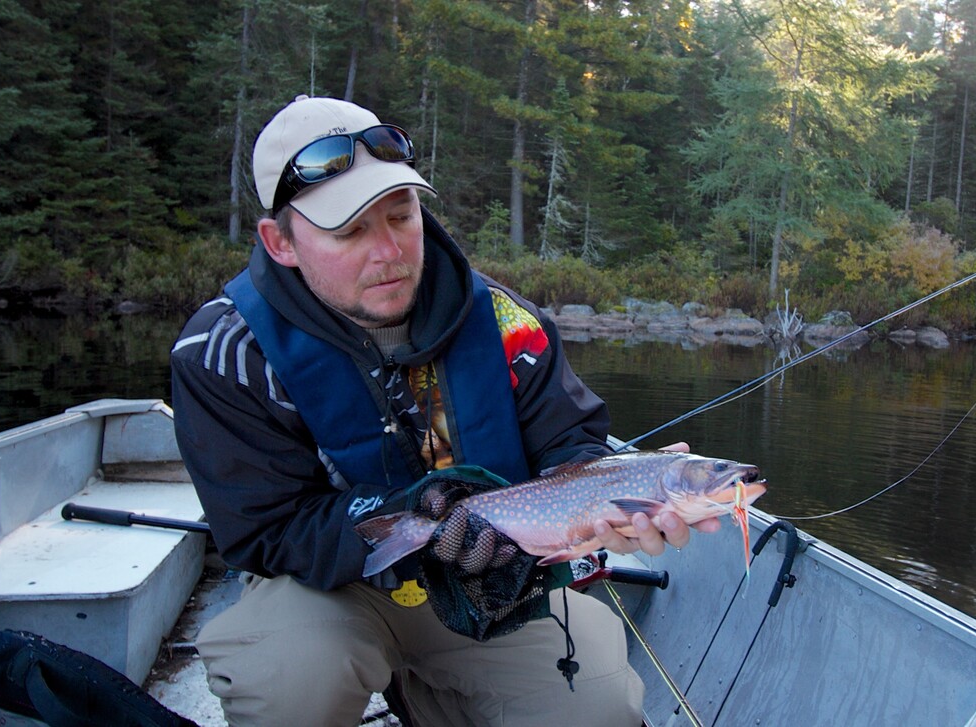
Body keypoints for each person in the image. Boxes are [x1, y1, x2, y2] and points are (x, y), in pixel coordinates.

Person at [170, 95, 716, 727]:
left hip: (498, 586)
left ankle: (431, 697)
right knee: (289, 685)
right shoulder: (223, 355)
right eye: (350, 231)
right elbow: (263, 532)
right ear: (281, 241)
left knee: (596, 705)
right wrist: (411, 517)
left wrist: (621, 489)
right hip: (332, 591)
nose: (390, 252)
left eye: (401, 216)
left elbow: (573, 446)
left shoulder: (509, 324)